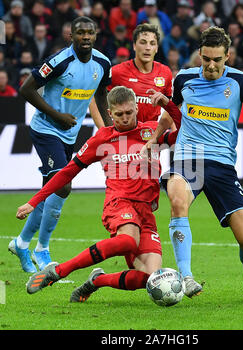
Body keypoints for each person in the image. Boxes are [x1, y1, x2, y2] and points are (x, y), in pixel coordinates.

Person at [142, 26, 243, 300]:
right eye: (206, 59)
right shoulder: (184, 79)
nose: (211, 65)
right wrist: (155, 139)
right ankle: (186, 276)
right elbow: (170, 114)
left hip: (222, 166)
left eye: (217, 59)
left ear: (227, 56)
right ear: (199, 55)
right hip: (188, 159)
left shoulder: (241, 81)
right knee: (178, 200)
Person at [17, 86, 179, 302]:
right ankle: (58, 271)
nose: (124, 118)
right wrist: (34, 201)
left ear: (137, 109)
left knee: (150, 278)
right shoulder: (103, 138)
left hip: (146, 212)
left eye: (129, 113)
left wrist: (168, 105)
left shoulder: (151, 132)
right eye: (119, 114)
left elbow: (184, 131)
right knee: (128, 241)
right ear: (110, 114)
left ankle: (97, 281)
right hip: (119, 203)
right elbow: (67, 172)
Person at [8, 16, 112, 273]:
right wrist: (57, 116)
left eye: (90, 32)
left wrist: (112, 129)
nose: (85, 37)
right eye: (80, 33)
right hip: (46, 129)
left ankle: (21, 243)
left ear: (96, 35)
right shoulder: (59, 61)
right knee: (63, 186)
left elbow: (100, 96)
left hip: (70, 134)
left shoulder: (102, 63)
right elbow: (26, 89)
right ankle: (42, 249)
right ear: (71, 36)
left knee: (51, 188)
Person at [108, 23, 173, 123]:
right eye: (143, 42)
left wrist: (172, 133)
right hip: (125, 135)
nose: (147, 47)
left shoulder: (165, 72)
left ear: (156, 48)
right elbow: (98, 101)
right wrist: (105, 129)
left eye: (152, 43)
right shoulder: (117, 72)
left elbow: (170, 108)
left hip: (152, 135)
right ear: (134, 46)